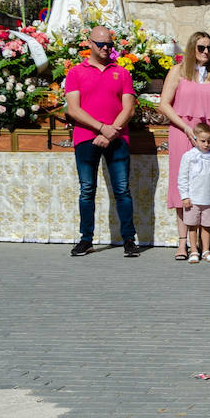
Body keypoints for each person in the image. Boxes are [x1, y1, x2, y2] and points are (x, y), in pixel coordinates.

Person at [65, 26, 139, 257]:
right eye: (101, 44)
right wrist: (101, 129)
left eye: (109, 44)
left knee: (122, 190)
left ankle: (129, 240)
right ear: (89, 44)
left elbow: (129, 107)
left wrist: (111, 132)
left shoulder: (122, 72)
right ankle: (86, 239)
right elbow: (73, 109)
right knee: (87, 190)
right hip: (87, 137)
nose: (106, 48)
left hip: (117, 138)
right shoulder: (76, 72)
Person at [159, 31, 210, 261]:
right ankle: (184, 243)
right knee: (185, 185)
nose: (206, 52)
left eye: (209, 48)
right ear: (192, 49)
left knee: (207, 185)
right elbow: (164, 104)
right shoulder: (178, 72)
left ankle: (204, 244)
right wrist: (185, 128)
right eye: (201, 48)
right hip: (184, 132)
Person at [176, 123, 210, 263]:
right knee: (192, 225)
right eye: (203, 141)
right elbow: (182, 178)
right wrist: (184, 196)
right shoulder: (188, 156)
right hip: (193, 199)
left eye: (209, 141)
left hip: (208, 199)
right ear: (195, 140)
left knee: (207, 226)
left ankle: (206, 250)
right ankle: (193, 250)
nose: (206, 144)